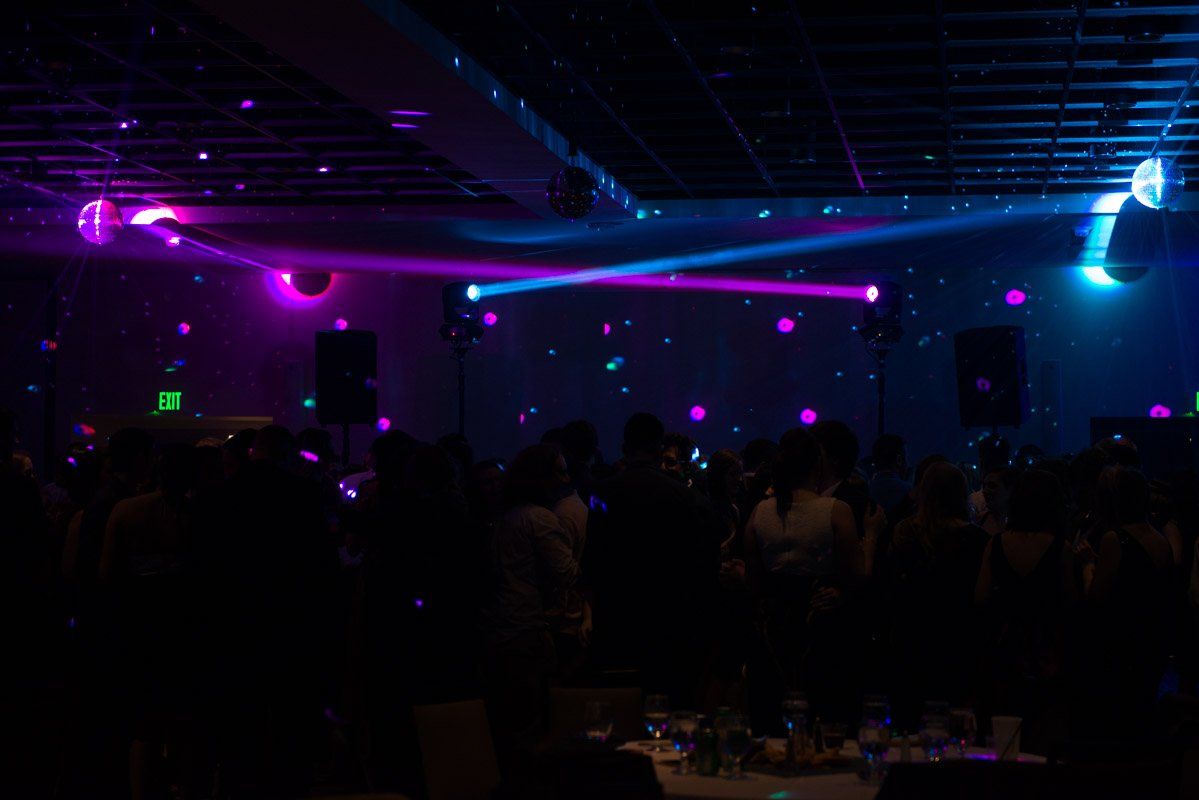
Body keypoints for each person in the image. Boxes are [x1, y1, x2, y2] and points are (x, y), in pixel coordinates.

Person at [744, 428, 883, 717]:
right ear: (816, 465)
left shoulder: (761, 511)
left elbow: (754, 578)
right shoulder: (836, 510)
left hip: (774, 627)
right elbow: (859, 576)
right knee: (823, 711)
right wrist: (871, 536)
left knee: (774, 712)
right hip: (819, 624)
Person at [586, 413, 722, 707]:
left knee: (621, 709)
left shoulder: (602, 493)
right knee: (671, 705)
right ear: (660, 449)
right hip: (671, 617)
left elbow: (593, 559)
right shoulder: (685, 498)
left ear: (624, 448)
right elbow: (701, 564)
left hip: (617, 616)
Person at [482, 444, 579, 756]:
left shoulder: (508, 516)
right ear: (543, 478)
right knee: (532, 725)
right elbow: (568, 573)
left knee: (510, 723)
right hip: (527, 629)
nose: (567, 479)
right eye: (560, 471)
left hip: (502, 627)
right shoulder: (541, 519)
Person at [975, 469, 1077, 753]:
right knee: (1043, 733)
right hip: (1046, 652)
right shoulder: (1061, 548)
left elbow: (981, 596)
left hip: (1004, 648)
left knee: (1002, 732)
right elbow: (1070, 603)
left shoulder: (997, 544)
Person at [886, 462, 989, 727]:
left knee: (911, 718)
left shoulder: (905, 532)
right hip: (960, 636)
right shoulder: (977, 539)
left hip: (912, 634)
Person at [1079, 466, 1176, 736]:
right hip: (1149, 645)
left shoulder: (1114, 538)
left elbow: (1096, 598)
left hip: (1118, 646)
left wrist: (1087, 564)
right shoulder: (1159, 537)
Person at [810, 420, 870, 537]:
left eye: (814, 452)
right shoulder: (800, 496)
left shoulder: (856, 505)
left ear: (835, 459)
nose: (806, 457)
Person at [869, 433, 910, 520]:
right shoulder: (909, 492)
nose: (908, 464)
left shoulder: (865, 491)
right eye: (906, 458)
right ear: (899, 460)